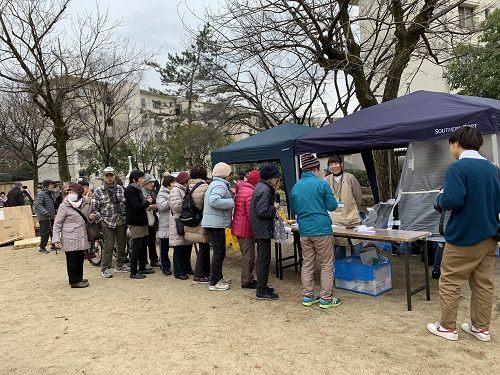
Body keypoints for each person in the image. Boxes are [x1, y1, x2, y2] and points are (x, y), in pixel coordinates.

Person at [427, 126, 500, 342]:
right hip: (490, 237)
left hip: (464, 238)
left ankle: (448, 327)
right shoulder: (493, 168)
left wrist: (440, 197)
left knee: (450, 281)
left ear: (456, 144)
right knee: (483, 284)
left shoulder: (458, 168)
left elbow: (453, 200)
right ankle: (480, 328)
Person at [291, 153, 342, 308]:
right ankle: (326, 298)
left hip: (305, 230)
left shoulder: (296, 186)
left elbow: (294, 208)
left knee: (307, 263)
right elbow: (332, 206)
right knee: (327, 263)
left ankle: (308, 296)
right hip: (322, 229)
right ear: (316, 169)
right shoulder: (321, 184)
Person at [52, 183, 95, 288]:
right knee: (72, 259)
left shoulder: (85, 203)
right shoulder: (64, 205)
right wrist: (56, 239)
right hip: (69, 236)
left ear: (79, 193)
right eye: (69, 192)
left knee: (80, 257)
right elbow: (57, 223)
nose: (71, 194)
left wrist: (91, 217)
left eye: (73, 192)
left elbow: (88, 219)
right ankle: (74, 281)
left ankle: (79, 277)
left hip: (82, 235)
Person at [91, 167, 130, 279]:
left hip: (121, 221)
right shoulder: (98, 191)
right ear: (104, 176)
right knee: (108, 246)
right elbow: (94, 209)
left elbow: (125, 204)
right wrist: (101, 219)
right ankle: (105, 268)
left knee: (122, 244)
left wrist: (125, 216)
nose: (109, 177)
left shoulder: (121, 189)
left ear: (114, 176)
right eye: (107, 175)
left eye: (111, 175)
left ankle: (120, 264)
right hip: (107, 222)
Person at [250, 164, 281, 300]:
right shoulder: (265, 190)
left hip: (260, 228)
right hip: (262, 228)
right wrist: (274, 208)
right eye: (276, 178)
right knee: (263, 259)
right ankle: (261, 291)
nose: (278, 181)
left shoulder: (261, 187)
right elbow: (262, 211)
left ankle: (262, 286)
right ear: (270, 178)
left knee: (263, 259)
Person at [202, 162, 235, 291]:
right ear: (225, 174)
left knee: (219, 252)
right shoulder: (220, 185)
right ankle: (214, 282)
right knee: (219, 253)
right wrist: (231, 201)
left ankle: (218, 277)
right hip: (215, 223)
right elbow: (214, 200)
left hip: (214, 222)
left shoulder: (215, 184)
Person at [324, 154, 364, 259]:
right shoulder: (327, 180)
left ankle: (357, 272)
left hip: (352, 218)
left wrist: (354, 210)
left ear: (341, 164)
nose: (334, 166)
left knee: (356, 247)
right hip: (336, 220)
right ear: (329, 166)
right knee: (338, 249)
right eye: (331, 164)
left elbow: (358, 196)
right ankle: (341, 273)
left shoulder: (350, 177)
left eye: (336, 163)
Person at [232, 170, 260, 289]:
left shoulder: (243, 189)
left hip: (239, 226)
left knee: (247, 255)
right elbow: (251, 214)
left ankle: (248, 278)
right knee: (248, 256)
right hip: (245, 228)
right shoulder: (250, 192)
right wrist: (256, 230)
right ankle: (247, 281)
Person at [124, 170, 155, 279]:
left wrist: (147, 204)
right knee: (136, 247)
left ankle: (142, 267)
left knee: (142, 246)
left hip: (142, 221)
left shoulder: (138, 189)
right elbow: (136, 207)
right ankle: (133, 271)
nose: (143, 180)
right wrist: (147, 202)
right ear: (134, 179)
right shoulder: (131, 190)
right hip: (135, 222)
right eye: (141, 178)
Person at [184, 165, 211, 285]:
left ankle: (204, 273)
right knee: (204, 247)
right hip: (201, 220)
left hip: (191, 218)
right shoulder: (205, 187)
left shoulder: (187, 186)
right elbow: (207, 205)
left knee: (202, 246)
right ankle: (199, 275)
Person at [168, 172, 194, 280]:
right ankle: (179, 271)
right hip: (178, 221)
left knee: (187, 246)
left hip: (185, 221)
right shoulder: (175, 190)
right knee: (179, 248)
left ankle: (187, 268)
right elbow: (176, 206)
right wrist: (188, 206)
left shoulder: (184, 189)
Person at [156, 175, 175, 276]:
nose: (175, 184)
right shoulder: (161, 194)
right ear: (168, 184)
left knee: (176, 246)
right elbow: (161, 206)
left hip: (174, 224)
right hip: (165, 224)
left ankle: (176, 265)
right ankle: (165, 266)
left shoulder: (174, 192)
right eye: (173, 182)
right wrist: (171, 200)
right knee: (164, 248)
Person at [143, 174, 160, 267]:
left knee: (152, 241)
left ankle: (154, 259)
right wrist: (148, 206)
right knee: (143, 242)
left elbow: (156, 203)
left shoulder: (153, 192)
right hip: (144, 220)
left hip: (152, 220)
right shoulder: (140, 192)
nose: (152, 184)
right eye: (150, 182)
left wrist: (155, 207)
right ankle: (144, 262)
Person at [34, 179, 56, 254]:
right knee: (45, 232)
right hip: (44, 217)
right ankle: (42, 247)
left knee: (52, 231)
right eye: (51, 185)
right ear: (46, 185)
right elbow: (37, 204)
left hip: (50, 216)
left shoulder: (50, 193)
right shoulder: (41, 194)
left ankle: (53, 244)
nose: (52, 186)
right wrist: (45, 212)